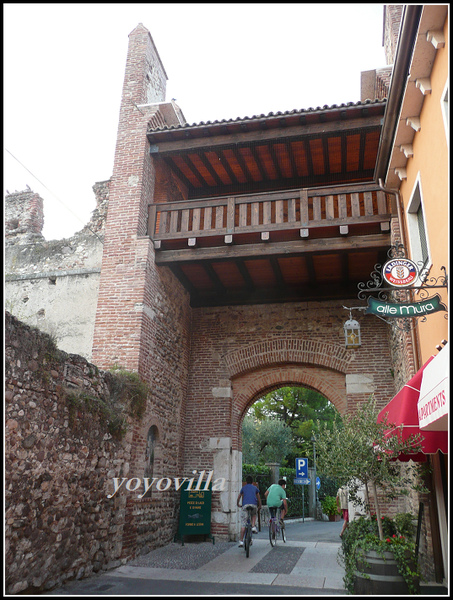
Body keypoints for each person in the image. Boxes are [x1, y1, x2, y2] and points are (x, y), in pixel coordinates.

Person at [237, 475, 261, 547]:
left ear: (246, 482)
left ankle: (241, 541)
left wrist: (237, 503)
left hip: (245, 505)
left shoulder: (243, 488)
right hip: (253, 505)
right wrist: (259, 505)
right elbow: (258, 497)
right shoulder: (255, 488)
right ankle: (253, 526)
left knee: (243, 524)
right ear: (252, 482)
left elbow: (239, 496)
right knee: (253, 514)